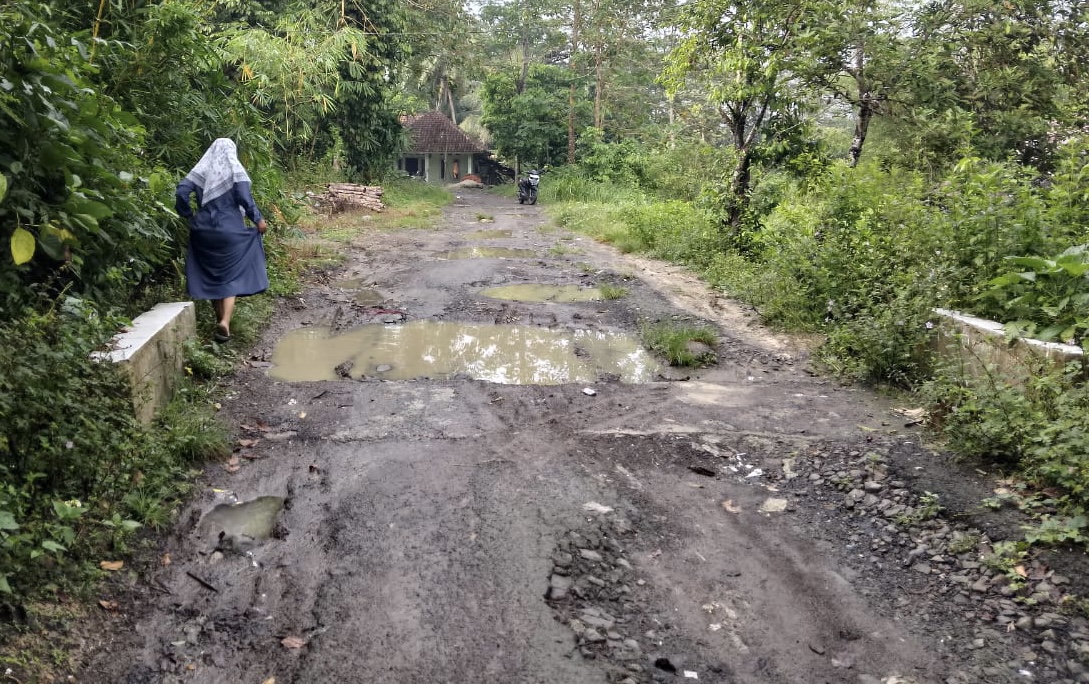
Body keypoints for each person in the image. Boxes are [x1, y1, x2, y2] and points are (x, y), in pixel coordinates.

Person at [175, 138, 268, 343]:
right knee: (231, 276)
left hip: (202, 231)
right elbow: (244, 196)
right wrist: (258, 219)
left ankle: (219, 323)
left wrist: (188, 214)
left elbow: (182, 192)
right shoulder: (235, 171)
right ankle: (225, 321)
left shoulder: (202, 171)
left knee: (211, 274)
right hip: (229, 229)